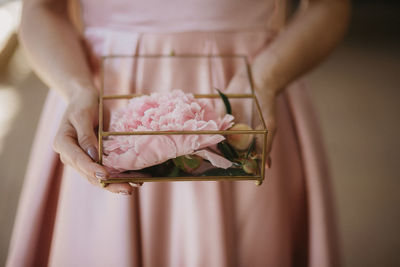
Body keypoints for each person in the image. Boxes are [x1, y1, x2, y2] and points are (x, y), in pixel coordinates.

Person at [6, 0, 350, 266]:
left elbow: (330, 6)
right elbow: (40, 9)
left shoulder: (254, 90)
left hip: (247, 95)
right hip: (106, 101)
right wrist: (76, 86)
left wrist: (264, 79)